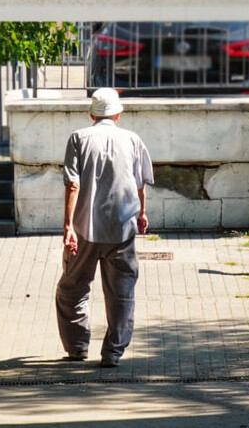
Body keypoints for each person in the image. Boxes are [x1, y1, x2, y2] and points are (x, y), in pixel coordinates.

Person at [56, 87, 154, 368]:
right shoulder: (132, 140)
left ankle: (76, 347)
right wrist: (142, 214)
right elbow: (139, 184)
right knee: (121, 291)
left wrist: (68, 227)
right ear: (118, 113)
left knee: (72, 288)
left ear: (91, 114)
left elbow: (72, 184)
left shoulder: (78, 138)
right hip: (122, 228)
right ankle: (112, 352)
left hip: (84, 228)